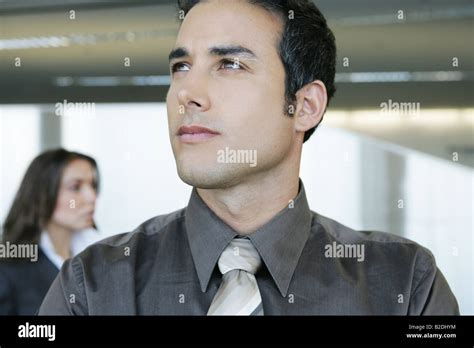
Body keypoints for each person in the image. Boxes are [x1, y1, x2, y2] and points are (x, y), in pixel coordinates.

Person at [39, 0, 458, 315]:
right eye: (181, 67)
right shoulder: (90, 288)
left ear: (305, 106)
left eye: (230, 64)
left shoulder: (407, 286)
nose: (187, 93)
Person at [0, 148, 101, 315]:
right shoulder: (8, 270)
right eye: (75, 187)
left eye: (93, 185)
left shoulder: (102, 259)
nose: (91, 197)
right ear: (42, 193)